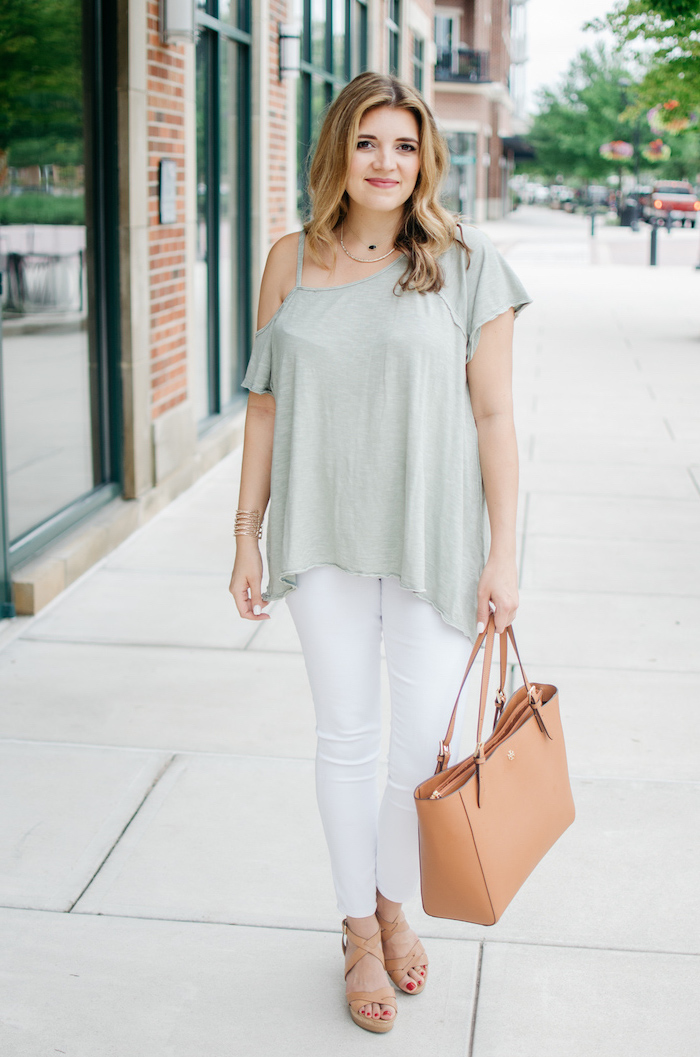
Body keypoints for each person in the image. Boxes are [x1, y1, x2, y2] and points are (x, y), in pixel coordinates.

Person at [228, 71, 531, 1034]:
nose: (387, 163)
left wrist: (506, 555)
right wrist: (245, 533)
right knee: (346, 737)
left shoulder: (464, 260)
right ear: (338, 154)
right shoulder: (291, 259)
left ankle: (397, 902)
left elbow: (494, 416)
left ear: (426, 157)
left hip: (432, 535)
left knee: (417, 749)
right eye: (368, 144)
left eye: (404, 146)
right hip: (319, 534)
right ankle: (359, 926)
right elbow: (266, 406)